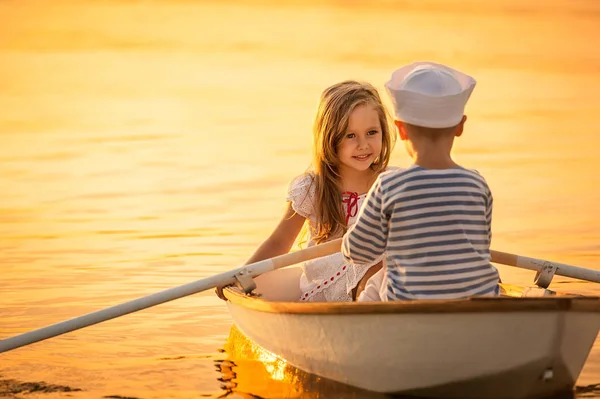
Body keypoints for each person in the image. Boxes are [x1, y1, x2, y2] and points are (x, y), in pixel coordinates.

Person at [216, 80, 395, 302]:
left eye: (371, 132)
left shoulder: (392, 183)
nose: (363, 144)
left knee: (389, 262)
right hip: (329, 285)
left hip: (381, 283)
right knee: (377, 269)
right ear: (330, 138)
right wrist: (240, 274)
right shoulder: (313, 189)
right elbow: (279, 241)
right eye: (350, 135)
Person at [342, 62, 500, 301]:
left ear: (401, 130)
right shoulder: (477, 185)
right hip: (477, 304)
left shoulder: (389, 186)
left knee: (376, 284)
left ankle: (357, 333)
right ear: (460, 126)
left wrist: (351, 240)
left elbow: (358, 251)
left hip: (409, 308)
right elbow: (479, 246)